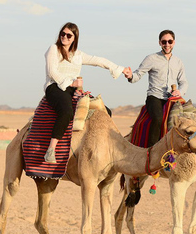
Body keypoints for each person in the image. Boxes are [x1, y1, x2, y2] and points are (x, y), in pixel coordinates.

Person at [43, 22, 131, 163]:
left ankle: (97, 147)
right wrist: (71, 83)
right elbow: (52, 71)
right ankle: (51, 150)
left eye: (68, 35)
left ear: (74, 38)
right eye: (62, 34)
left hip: (73, 89)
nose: (64, 37)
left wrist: (120, 69)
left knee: (105, 111)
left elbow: (98, 60)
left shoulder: (78, 55)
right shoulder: (54, 49)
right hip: (55, 87)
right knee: (66, 112)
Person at [123, 30, 188, 147]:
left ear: (174, 42)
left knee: (188, 121)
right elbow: (138, 74)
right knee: (158, 119)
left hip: (172, 99)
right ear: (159, 43)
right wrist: (130, 76)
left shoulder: (178, 62)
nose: (167, 44)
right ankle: (151, 150)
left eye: (169, 41)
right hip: (155, 97)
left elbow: (183, 82)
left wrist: (180, 91)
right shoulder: (151, 58)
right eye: (164, 42)